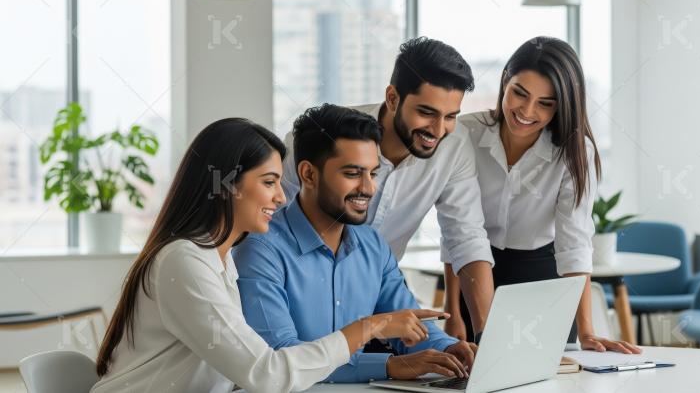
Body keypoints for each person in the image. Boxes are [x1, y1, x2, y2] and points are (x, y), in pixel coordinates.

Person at [91, 118, 444, 393]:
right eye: (269, 182)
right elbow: (266, 372)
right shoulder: (183, 262)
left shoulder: (220, 259)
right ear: (226, 185)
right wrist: (370, 327)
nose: (280, 197)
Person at [234, 104, 476, 383]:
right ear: (309, 174)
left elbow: (408, 320)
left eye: (372, 173)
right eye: (352, 174)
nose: (369, 188)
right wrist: (388, 366)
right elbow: (282, 357)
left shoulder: (373, 245)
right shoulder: (260, 249)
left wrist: (448, 348)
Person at [280, 37, 495, 337]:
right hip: (303, 295)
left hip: (380, 293)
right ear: (393, 98)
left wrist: (487, 336)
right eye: (427, 113)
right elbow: (271, 224)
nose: (438, 130)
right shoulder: (326, 137)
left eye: (450, 117)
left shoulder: (455, 148)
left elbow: (467, 239)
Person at [444, 37, 641, 354]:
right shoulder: (465, 133)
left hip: (543, 278)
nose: (526, 111)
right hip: (477, 277)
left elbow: (574, 242)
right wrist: (452, 309)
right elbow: (458, 232)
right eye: (519, 93)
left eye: (545, 103)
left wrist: (588, 330)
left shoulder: (575, 153)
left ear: (562, 105)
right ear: (505, 79)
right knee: (477, 372)